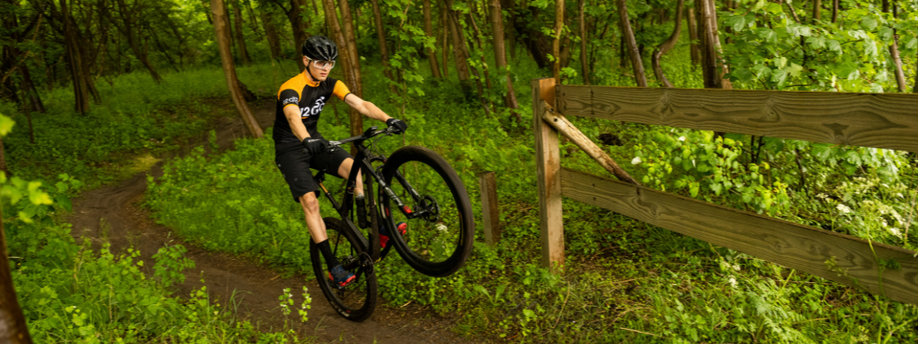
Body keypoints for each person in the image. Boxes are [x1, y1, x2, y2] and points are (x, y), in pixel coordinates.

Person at [273, 35, 408, 287]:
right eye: (320, 62)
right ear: (306, 61)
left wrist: (388, 119)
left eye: (330, 63)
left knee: (356, 172)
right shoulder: (291, 88)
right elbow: (293, 118)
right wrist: (305, 139)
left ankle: (374, 229)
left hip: (315, 142)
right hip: (291, 149)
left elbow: (361, 104)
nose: (326, 68)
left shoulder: (331, 83)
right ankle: (333, 266)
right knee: (311, 202)